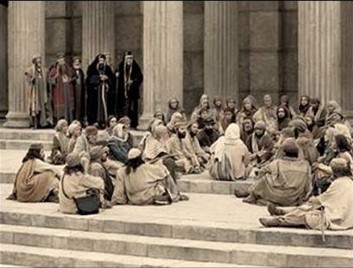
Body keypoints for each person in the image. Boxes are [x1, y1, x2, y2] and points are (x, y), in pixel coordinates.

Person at [259, 158, 353, 231]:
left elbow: (321, 200)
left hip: (337, 219)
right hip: (342, 215)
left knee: (306, 216)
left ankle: (279, 220)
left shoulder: (338, 184)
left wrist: (314, 199)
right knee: (308, 208)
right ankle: (282, 212)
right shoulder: (348, 182)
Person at [236, 138, 312, 207]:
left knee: (265, 178)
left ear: (283, 152)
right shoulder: (305, 165)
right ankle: (250, 192)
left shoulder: (277, 163)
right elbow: (308, 184)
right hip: (294, 197)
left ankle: (252, 194)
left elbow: (262, 172)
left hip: (278, 195)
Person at [111, 148, 187, 206]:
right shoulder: (146, 168)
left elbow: (119, 190)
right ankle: (175, 195)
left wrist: (118, 200)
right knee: (163, 177)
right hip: (147, 197)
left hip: (134, 199)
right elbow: (163, 170)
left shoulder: (122, 171)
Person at [86, 54, 115, 127]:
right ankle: (95, 121)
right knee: (94, 106)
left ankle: (104, 120)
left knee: (105, 105)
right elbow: (89, 79)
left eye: (103, 60)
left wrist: (107, 78)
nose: (101, 62)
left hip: (105, 91)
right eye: (100, 60)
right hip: (95, 91)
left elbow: (112, 78)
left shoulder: (107, 69)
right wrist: (98, 78)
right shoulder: (92, 68)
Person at [116, 51, 143, 129]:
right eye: (128, 59)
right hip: (122, 92)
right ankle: (122, 124)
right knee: (122, 109)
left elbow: (140, 78)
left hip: (132, 92)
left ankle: (133, 124)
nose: (129, 61)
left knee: (132, 109)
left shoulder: (136, 67)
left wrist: (133, 81)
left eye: (131, 59)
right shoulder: (121, 67)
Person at [25, 54, 53, 128]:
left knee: (44, 107)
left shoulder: (44, 70)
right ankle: (34, 123)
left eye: (40, 60)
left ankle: (43, 123)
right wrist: (32, 79)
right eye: (37, 60)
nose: (39, 61)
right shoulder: (30, 70)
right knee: (35, 107)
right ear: (34, 61)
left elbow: (48, 80)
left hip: (43, 92)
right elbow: (28, 81)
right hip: (35, 92)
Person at [48, 52, 75, 124]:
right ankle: (58, 121)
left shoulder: (68, 68)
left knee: (68, 105)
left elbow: (73, 75)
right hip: (58, 90)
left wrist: (70, 79)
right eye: (60, 60)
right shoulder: (54, 69)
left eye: (62, 60)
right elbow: (50, 79)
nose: (61, 61)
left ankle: (68, 120)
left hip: (67, 90)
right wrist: (55, 77)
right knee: (59, 106)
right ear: (57, 60)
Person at [71, 56, 86, 126]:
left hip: (80, 91)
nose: (77, 64)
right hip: (73, 91)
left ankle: (80, 120)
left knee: (80, 106)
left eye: (78, 62)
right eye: (76, 62)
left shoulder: (81, 72)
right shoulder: (71, 71)